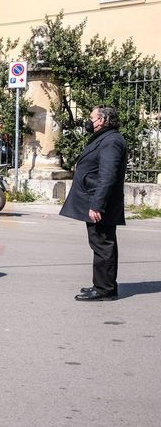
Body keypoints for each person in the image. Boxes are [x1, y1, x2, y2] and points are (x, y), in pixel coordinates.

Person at [59, 107, 128, 301]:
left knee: (102, 244)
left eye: (91, 117)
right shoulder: (106, 138)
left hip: (100, 202)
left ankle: (104, 290)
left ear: (102, 120)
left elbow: (107, 175)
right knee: (102, 244)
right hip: (95, 198)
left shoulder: (111, 141)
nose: (88, 121)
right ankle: (105, 285)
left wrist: (97, 205)